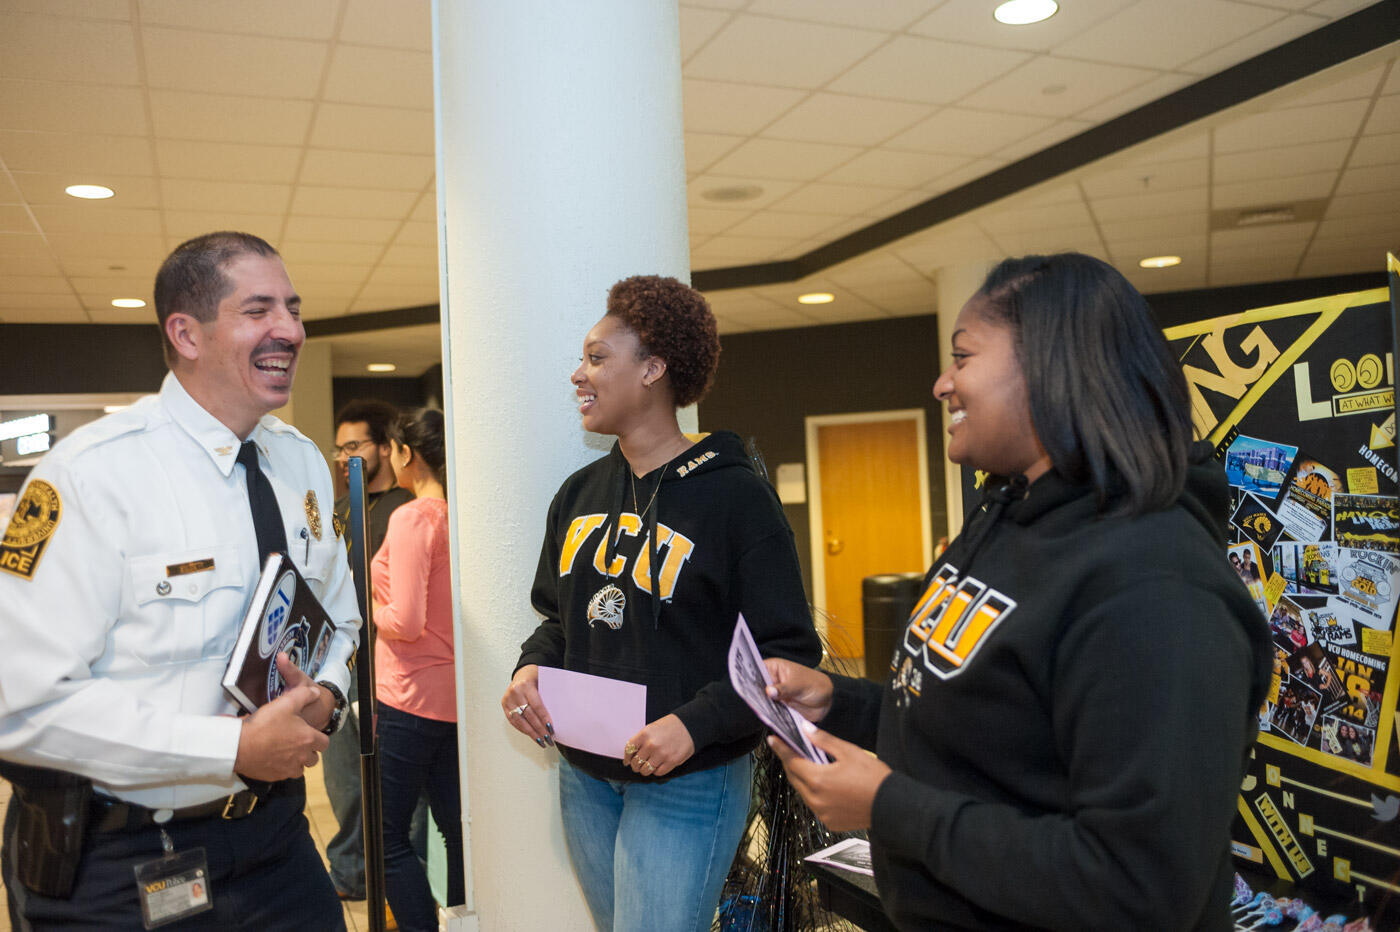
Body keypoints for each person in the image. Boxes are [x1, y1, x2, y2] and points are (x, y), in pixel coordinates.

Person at [763, 253, 1272, 931]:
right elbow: (992, 708)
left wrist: (889, 807)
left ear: (1050, 370)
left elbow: (1139, 887)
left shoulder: (1156, 588)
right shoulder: (1006, 510)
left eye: (964, 356)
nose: (943, 383)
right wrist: (841, 700)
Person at [0, 231, 358, 929]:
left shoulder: (300, 463)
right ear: (186, 333)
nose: (290, 329)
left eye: (293, 306)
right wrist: (232, 748)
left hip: (276, 841)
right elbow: (23, 707)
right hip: (124, 859)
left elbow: (340, 618)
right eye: (259, 310)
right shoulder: (90, 476)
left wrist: (327, 696)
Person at [501, 275, 821, 932]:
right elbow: (559, 618)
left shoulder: (736, 499)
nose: (577, 375)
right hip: (586, 776)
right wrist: (530, 668)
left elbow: (787, 652)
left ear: (652, 369)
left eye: (596, 358)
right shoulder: (580, 492)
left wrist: (692, 724)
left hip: (691, 779)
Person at [370, 408, 462, 932]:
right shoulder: (457, 514)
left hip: (407, 697)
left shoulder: (412, 517)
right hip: (450, 699)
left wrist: (369, 608)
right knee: (454, 829)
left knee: (386, 836)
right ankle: (463, 921)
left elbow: (405, 620)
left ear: (407, 454)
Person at [323, 399, 414, 902]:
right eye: (340, 448)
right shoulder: (335, 514)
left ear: (384, 447)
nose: (344, 456)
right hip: (339, 668)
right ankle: (351, 876)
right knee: (344, 783)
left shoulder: (407, 508)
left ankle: (405, 886)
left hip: (395, 669)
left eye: (354, 445)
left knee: (399, 790)